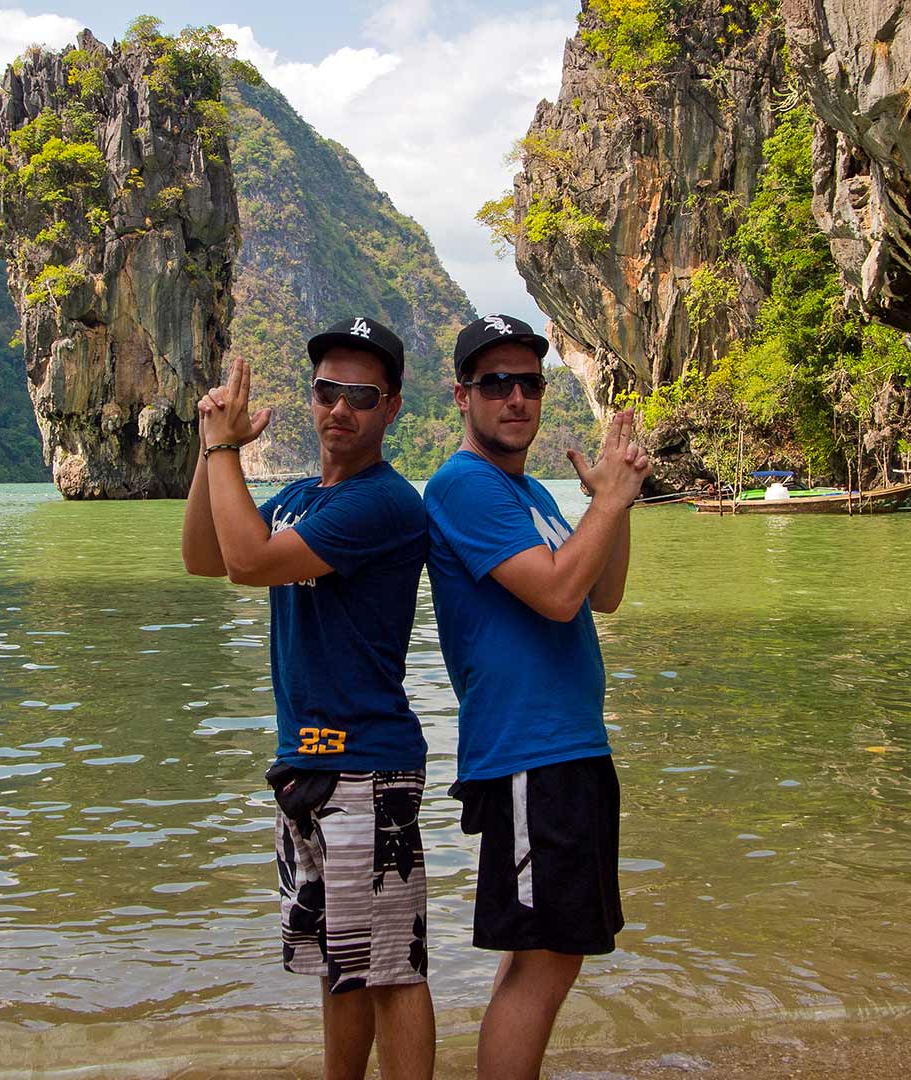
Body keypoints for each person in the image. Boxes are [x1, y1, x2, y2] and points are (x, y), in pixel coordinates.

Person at [180, 317, 434, 1080]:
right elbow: (205, 556)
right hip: (308, 770)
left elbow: (250, 563)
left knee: (391, 969)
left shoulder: (385, 504)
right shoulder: (298, 498)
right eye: (328, 391)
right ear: (311, 395)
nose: (340, 410)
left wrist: (228, 450)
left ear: (391, 407)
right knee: (339, 963)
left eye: (362, 395)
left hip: (368, 772)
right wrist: (210, 446)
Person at [422, 313, 651, 1078]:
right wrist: (606, 505)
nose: (515, 398)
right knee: (548, 960)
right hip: (531, 756)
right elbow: (557, 595)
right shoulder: (464, 487)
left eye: (528, 383)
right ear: (462, 396)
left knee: (543, 956)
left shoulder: (530, 497)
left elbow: (605, 593)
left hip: (571, 750)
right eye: (496, 384)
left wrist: (610, 503)